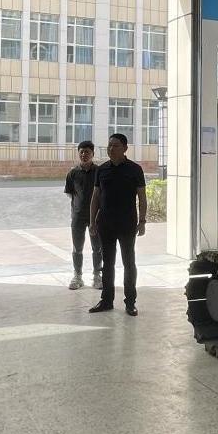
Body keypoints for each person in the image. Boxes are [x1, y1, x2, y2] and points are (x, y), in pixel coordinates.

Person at [88, 133, 147, 316]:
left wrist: (142, 221)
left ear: (125, 148)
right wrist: (92, 221)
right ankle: (106, 300)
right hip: (105, 223)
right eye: (109, 145)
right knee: (108, 263)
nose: (111, 149)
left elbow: (142, 197)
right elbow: (95, 197)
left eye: (115, 145)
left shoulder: (135, 169)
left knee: (129, 263)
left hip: (127, 223)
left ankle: (130, 302)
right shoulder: (102, 169)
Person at [64, 140, 102, 290]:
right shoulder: (72, 173)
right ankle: (77, 276)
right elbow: (70, 194)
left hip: (96, 217)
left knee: (97, 248)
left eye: (87, 152)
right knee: (77, 248)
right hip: (78, 217)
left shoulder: (99, 172)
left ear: (93, 154)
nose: (84, 154)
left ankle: (97, 276)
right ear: (78, 153)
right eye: (82, 152)